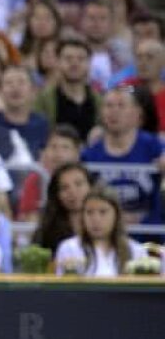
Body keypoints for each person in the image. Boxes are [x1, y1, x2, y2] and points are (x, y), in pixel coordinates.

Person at [81, 87, 165, 224]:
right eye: (109, 105)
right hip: (105, 237)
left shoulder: (154, 146)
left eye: (121, 105)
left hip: (150, 238)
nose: (114, 111)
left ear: (137, 113)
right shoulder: (89, 154)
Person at [54, 186, 146, 277]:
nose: (96, 219)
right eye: (89, 212)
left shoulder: (136, 250)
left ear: (116, 216)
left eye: (103, 212)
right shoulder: (69, 248)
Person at [31, 162, 96, 255]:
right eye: (64, 188)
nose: (72, 192)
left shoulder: (106, 227)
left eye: (78, 184)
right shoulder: (47, 232)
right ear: (57, 195)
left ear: (91, 187)